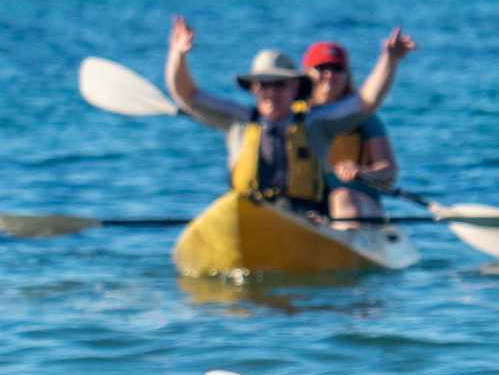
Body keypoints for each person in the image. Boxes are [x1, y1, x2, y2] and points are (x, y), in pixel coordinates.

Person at [163, 16, 414, 217]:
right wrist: (177, 54)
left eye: (279, 84)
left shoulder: (317, 123)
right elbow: (186, 95)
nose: (272, 92)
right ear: (253, 89)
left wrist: (389, 60)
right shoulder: (237, 119)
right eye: (264, 85)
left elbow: (366, 101)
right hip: (250, 213)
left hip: (305, 217)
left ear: (295, 87)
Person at [301, 39, 400, 223]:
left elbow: (389, 173)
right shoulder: (295, 117)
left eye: (336, 69)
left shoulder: (364, 119)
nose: (329, 75)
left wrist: (361, 172)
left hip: (357, 199)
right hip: (310, 200)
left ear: (347, 75)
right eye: (322, 68)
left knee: (342, 197)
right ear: (306, 73)